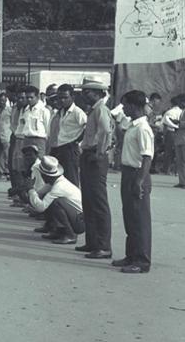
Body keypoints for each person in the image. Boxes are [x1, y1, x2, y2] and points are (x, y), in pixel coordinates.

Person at [113, 90, 154, 274]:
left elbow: (147, 157)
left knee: (140, 219)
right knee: (129, 216)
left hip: (138, 174)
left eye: (126, 105)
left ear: (134, 106)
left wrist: (139, 181)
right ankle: (131, 255)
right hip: (128, 172)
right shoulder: (132, 125)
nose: (124, 108)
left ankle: (142, 260)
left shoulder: (143, 128)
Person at [78, 75, 114, 259]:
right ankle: (92, 241)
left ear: (99, 93)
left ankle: (103, 245)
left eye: (88, 91)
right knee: (89, 200)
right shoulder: (93, 110)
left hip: (95, 156)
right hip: (88, 154)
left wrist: (99, 153)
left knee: (98, 202)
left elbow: (106, 132)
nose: (85, 94)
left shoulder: (101, 109)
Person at [27, 156, 85, 245]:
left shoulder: (58, 187)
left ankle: (70, 234)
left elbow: (41, 207)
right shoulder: (55, 182)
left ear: (45, 175)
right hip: (77, 217)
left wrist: (30, 190)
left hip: (80, 221)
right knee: (48, 199)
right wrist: (31, 192)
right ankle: (56, 230)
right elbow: (39, 194)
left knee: (56, 203)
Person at [48, 84, 87, 186]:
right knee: (55, 179)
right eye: (60, 98)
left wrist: (77, 141)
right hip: (56, 148)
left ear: (72, 97)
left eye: (65, 97)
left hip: (69, 149)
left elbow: (87, 128)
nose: (62, 100)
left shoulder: (77, 112)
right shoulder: (58, 112)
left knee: (71, 179)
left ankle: (74, 201)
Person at [20, 85, 50, 156]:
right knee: (26, 163)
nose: (29, 100)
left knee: (38, 163)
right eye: (27, 98)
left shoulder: (44, 111)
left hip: (39, 140)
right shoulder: (26, 110)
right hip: (27, 140)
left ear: (37, 97)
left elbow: (48, 129)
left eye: (31, 97)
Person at [0, 92, 12, 180]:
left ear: (6, 100)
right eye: (0, 100)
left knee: (7, 155)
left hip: (6, 135)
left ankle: (8, 172)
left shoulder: (10, 110)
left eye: (3, 100)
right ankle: (0, 174)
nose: (1, 102)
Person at [161, 95, 182, 176]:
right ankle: (176, 171)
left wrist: (164, 135)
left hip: (170, 132)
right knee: (178, 153)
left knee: (168, 152)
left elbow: (164, 124)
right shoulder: (182, 112)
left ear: (172, 103)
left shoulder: (169, 112)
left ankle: (167, 170)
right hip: (179, 133)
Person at [174, 95, 185, 188]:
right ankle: (182, 181)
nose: (179, 104)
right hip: (180, 138)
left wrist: (179, 123)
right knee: (180, 161)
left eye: (180, 102)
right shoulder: (183, 111)